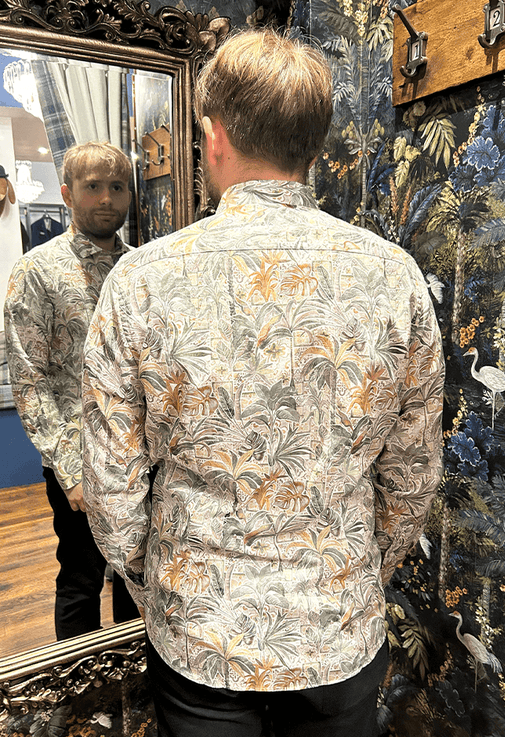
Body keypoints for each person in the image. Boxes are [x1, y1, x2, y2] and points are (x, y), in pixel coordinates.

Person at [82, 29, 444, 737]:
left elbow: (112, 484)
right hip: (340, 625)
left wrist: (158, 583)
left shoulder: (141, 280)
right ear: (312, 145)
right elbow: (413, 472)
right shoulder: (393, 275)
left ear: (213, 136)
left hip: (201, 631)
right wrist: (355, 573)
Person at [4, 141, 139, 640]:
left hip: (141, 459)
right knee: (82, 580)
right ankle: (82, 682)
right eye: (93, 186)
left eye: (117, 187)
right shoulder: (36, 272)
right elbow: (30, 379)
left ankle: (133, 677)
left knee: (138, 576)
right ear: (66, 193)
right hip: (78, 462)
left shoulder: (141, 268)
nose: (106, 198)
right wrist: (70, 469)